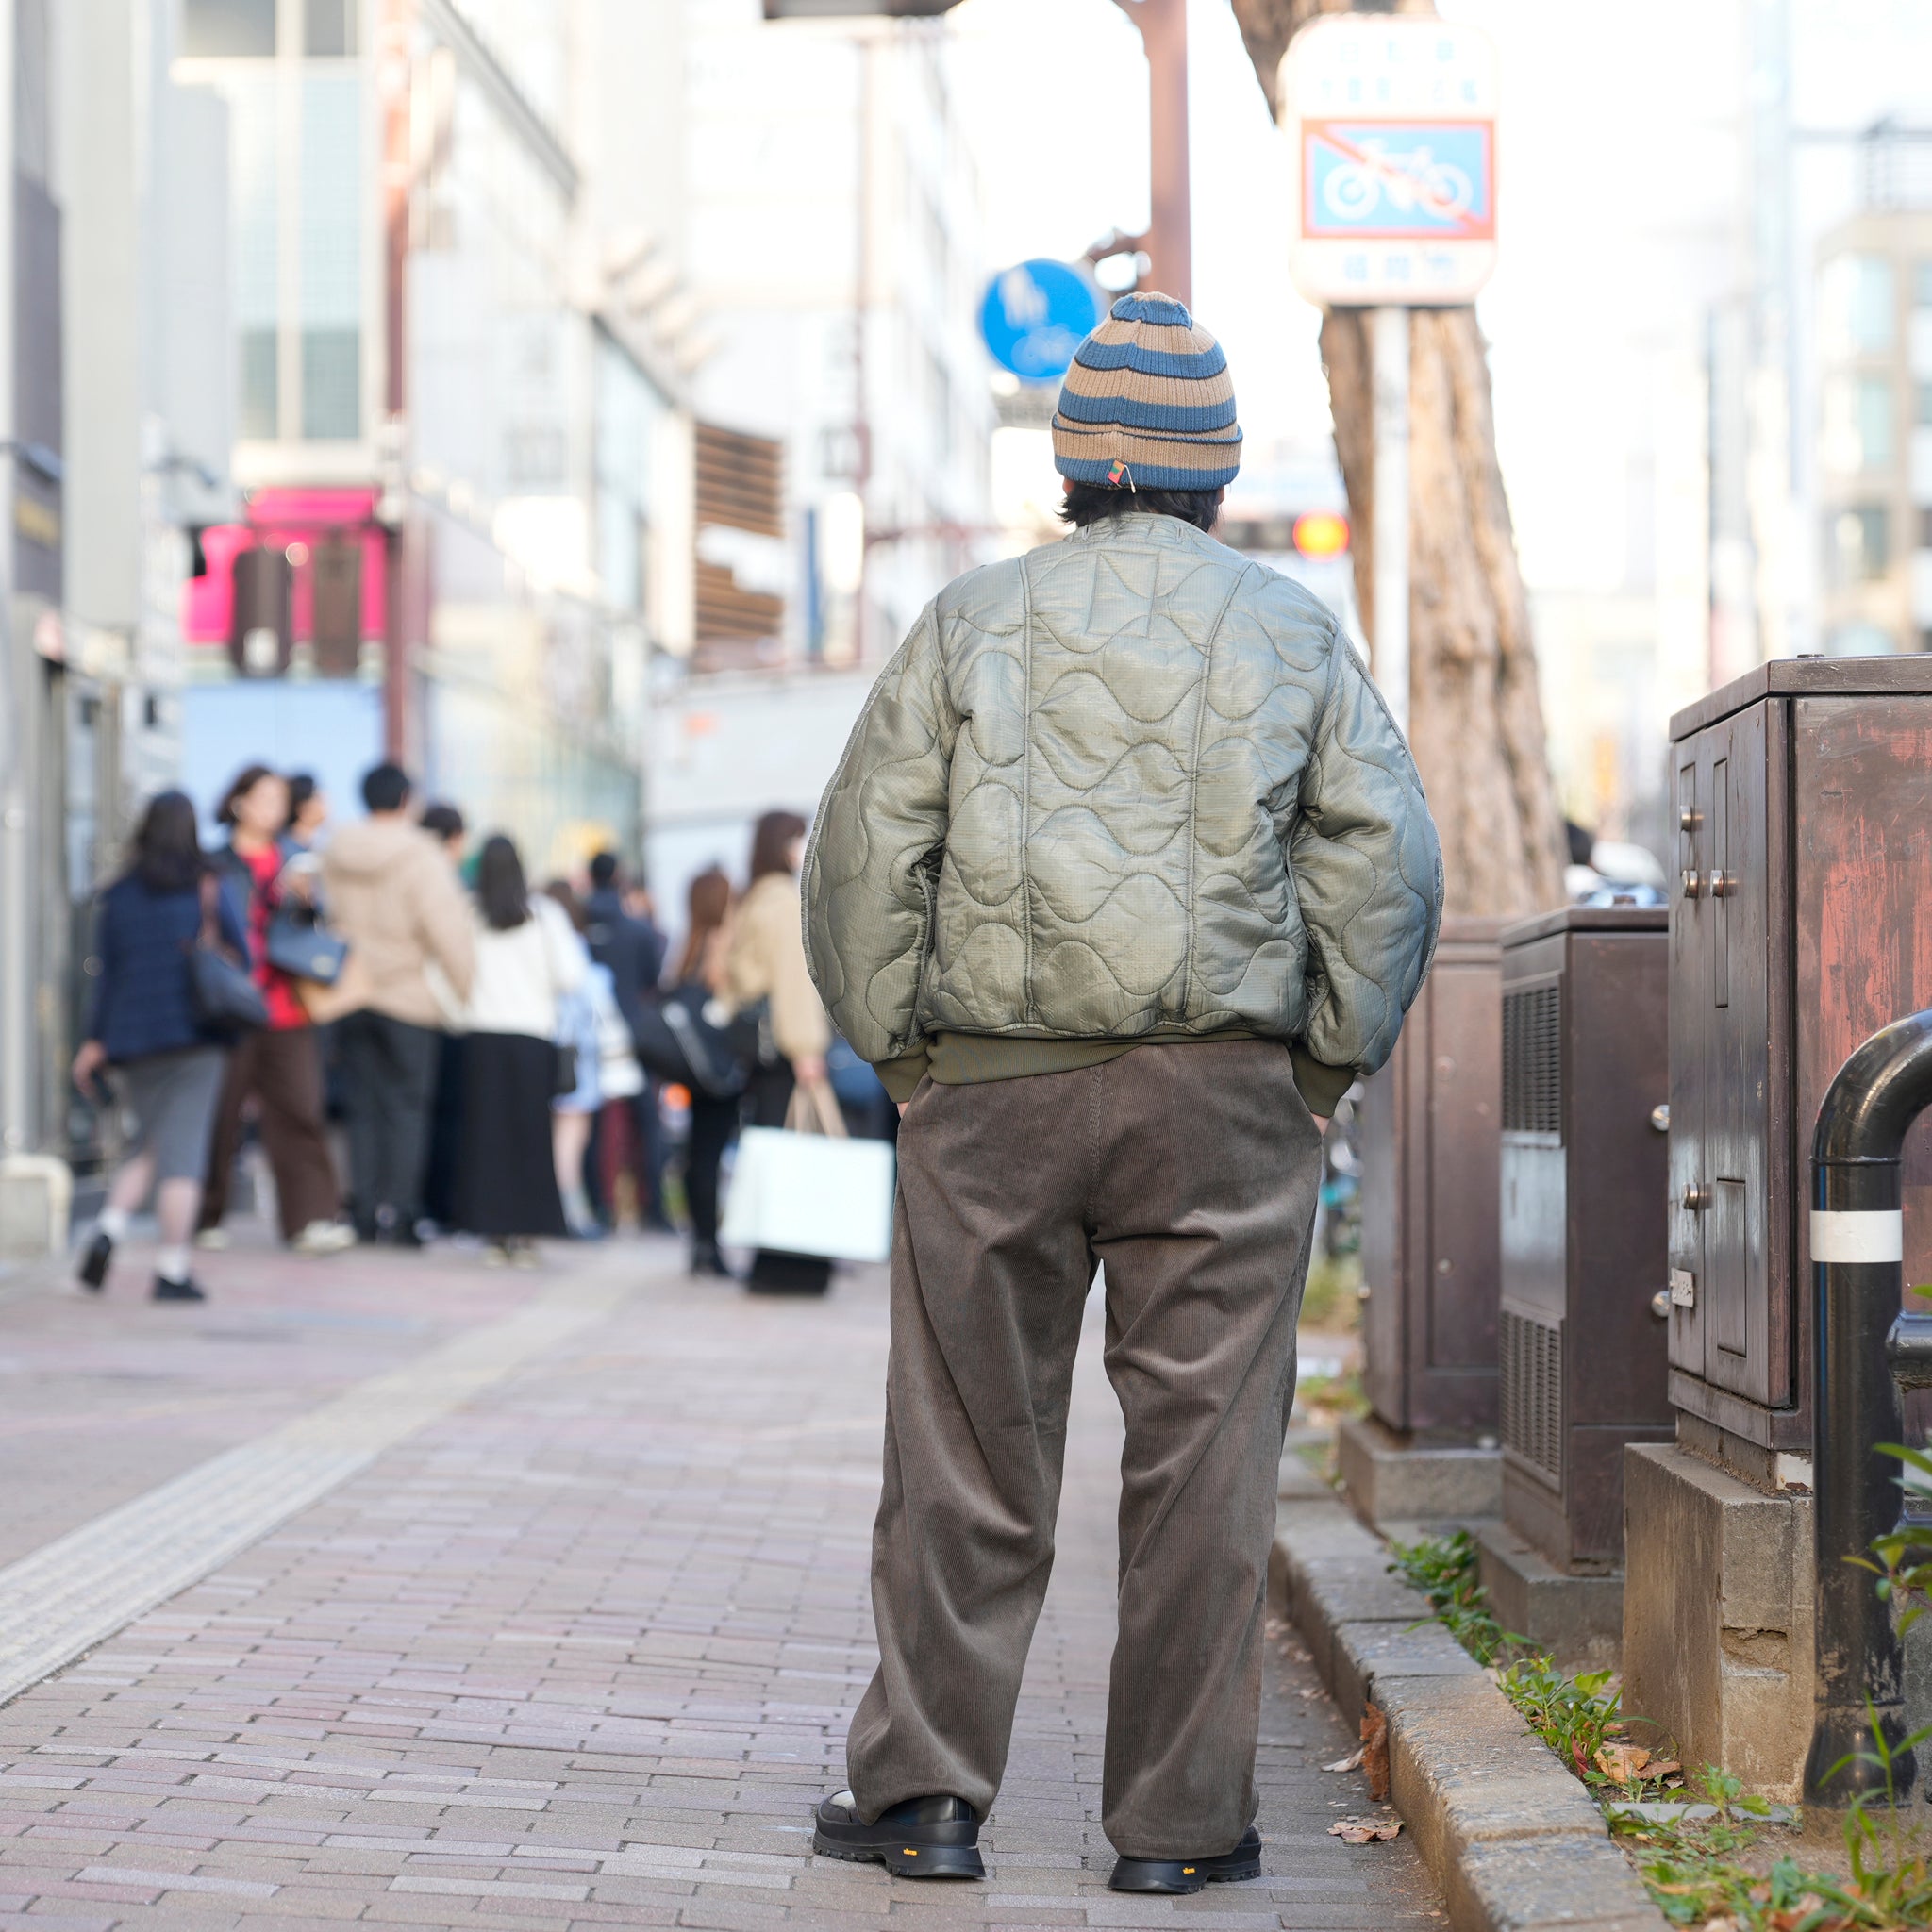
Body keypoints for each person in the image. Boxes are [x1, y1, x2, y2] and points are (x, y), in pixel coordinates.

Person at [801, 294, 1444, 1890]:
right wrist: (1318, 1059)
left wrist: (911, 1055)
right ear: (1215, 473)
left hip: (991, 1092)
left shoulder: (972, 618)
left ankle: (926, 1798)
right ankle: (1172, 1828)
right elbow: (1388, 862)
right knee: (1203, 1461)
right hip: (1221, 1096)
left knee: (964, 1448)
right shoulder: (1289, 630)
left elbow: (861, 857)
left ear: (1070, 468)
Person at [72, 792, 250, 1303]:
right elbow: (242, 952)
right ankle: (172, 1268)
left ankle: (107, 1226)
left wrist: (95, 1040)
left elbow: (104, 976)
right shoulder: (208, 884)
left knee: (148, 1142)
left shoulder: (121, 894)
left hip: (133, 1039)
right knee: (181, 1156)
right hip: (197, 1034)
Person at [195, 765, 353, 1256]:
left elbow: (317, 927)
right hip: (230, 1004)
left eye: (280, 799)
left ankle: (310, 1220)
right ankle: (204, 1213)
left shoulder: (297, 858)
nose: (273, 808)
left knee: (301, 1110)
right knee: (220, 1114)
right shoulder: (216, 862)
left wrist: (308, 902)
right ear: (239, 801)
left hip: (284, 1005)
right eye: (264, 797)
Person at [322, 762, 475, 1244]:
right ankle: (404, 1214)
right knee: (407, 1108)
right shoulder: (421, 854)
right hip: (407, 997)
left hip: (349, 993)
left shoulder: (336, 850)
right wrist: (465, 986)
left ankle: (365, 1212)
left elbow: (323, 913)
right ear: (406, 801)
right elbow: (446, 928)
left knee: (361, 1108)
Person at [450, 837, 584, 1264]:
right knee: (530, 1137)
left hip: (480, 1038)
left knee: (486, 1138)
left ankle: (492, 1234)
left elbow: (446, 974)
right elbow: (572, 976)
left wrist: (460, 1013)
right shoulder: (545, 916)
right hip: (532, 1038)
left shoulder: (468, 915)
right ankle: (526, 1235)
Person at [726, 811, 835, 1294]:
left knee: (773, 1147)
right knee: (797, 1150)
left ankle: (771, 1260)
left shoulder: (754, 898)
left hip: (760, 1052)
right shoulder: (783, 902)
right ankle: (795, 1264)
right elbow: (794, 983)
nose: (802, 845)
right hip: (787, 1051)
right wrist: (806, 1048)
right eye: (797, 837)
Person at [583, 852, 671, 1231]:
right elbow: (654, 978)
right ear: (618, 876)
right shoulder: (638, 930)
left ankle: (598, 1209)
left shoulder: (578, 925)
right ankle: (654, 1210)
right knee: (648, 1125)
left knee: (594, 1127)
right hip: (635, 1035)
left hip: (589, 1037)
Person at [672, 865, 739, 1278]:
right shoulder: (719, 940)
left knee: (696, 1153)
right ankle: (709, 1247)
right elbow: (725, 990)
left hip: (690, 1067)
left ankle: (698, 1242)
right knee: (711, 1155)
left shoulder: (687, 942)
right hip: (717, 1067)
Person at [541, 881, 614, 1240]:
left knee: (556, 1139)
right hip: (575, 1056)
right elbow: (589, 994)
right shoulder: (573, 946)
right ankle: (571, 1213)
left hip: (544, 1050)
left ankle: (564, 1211)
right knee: (570, 1141)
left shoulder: (536, 943)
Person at [283, 773, 328, 851]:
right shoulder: (285, 849)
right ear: (303, 808)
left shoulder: (316, 842)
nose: (325, 806)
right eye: (319, 799)